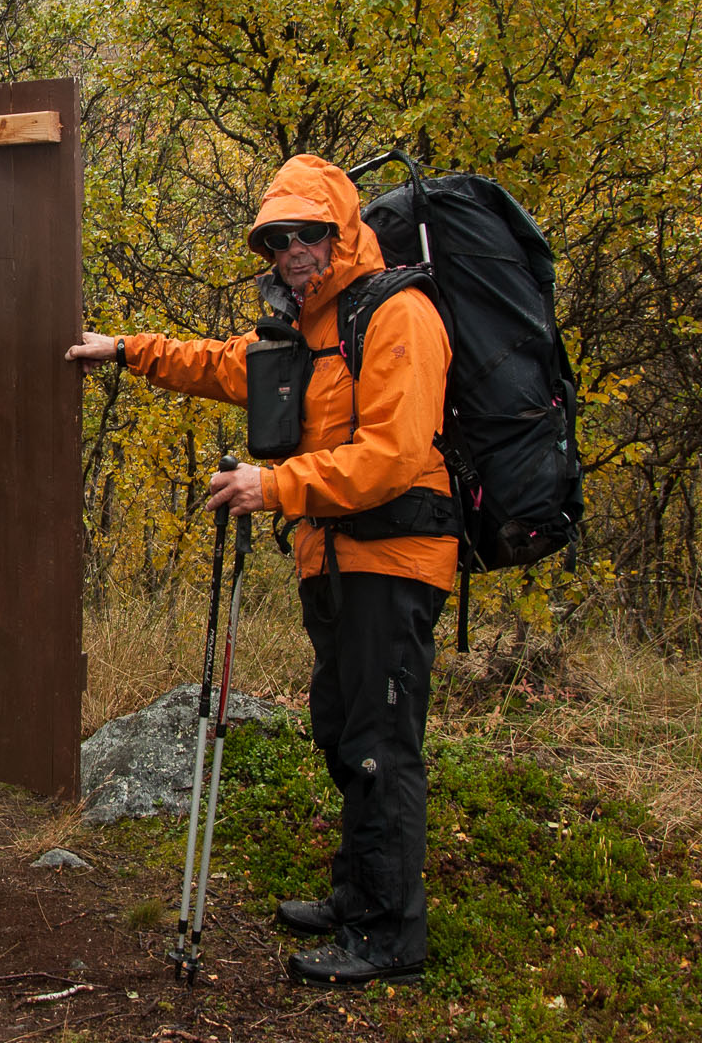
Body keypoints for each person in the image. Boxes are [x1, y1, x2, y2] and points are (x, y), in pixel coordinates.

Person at [66, 153, 454, 988]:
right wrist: (128, 349)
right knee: (344, 733)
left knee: (382, 746)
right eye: (276, 241)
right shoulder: (309, 331)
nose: (291, 253)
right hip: (337, 562)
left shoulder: (399, 316)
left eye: (307, 235)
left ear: (342, 232)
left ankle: (390, 935)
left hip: (395, 560)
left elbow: (393, 456)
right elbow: (219, 364)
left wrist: (272, 485)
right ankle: (358, 899)